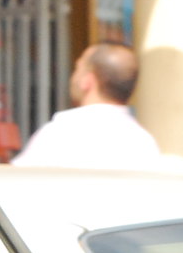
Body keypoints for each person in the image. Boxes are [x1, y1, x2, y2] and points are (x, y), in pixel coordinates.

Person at [10, 43, 170, 169]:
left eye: (78, 68)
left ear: (88, 81)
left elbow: (13, 185)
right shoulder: (143, 142)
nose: (73, 77)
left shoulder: (62, 133)